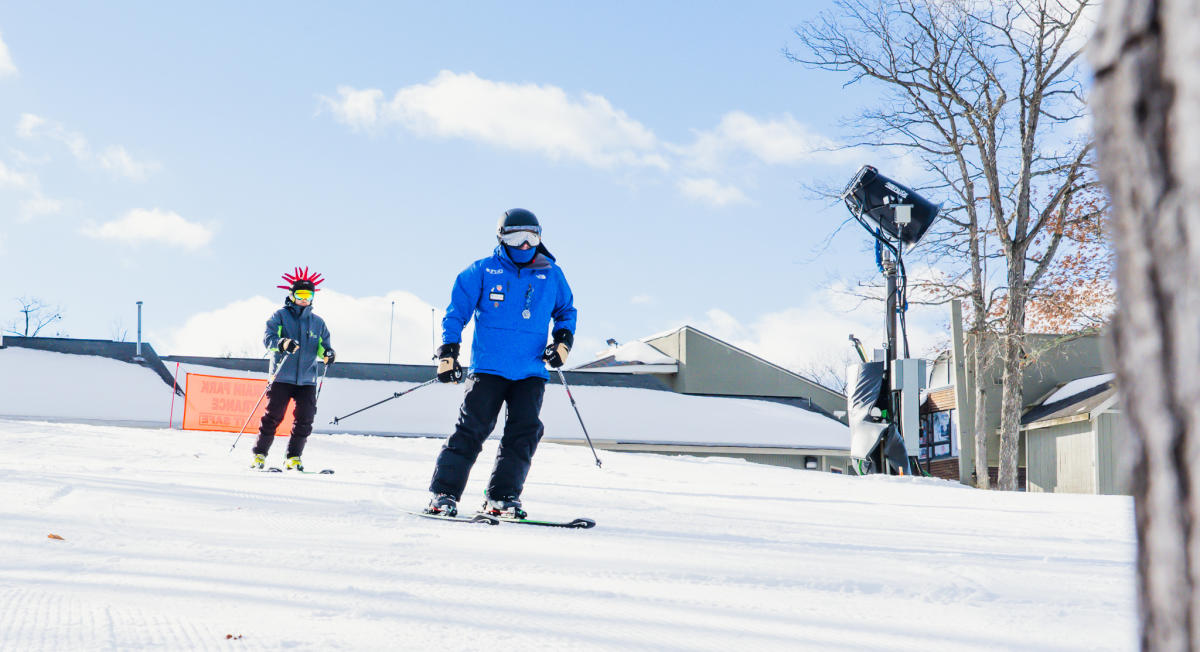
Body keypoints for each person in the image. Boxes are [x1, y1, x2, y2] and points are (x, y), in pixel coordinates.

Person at [425, 208, 577, 518]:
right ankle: (443, 493)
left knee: (524, 433)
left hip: (531, 371)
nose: (524, 245)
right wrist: (447, 355)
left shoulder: (552, 274)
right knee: (470, 431)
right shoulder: (481, 271)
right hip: (488, 370)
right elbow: (455, 314)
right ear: (501, 238)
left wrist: (563, 342)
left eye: (532, 237)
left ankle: (502, 496)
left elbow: (566, 311)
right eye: (516, 237)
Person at [251, 267, 335, 471]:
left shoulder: (318, 322)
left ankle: (293, 457)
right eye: (301, 294)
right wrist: (282, 343)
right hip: (282, 376)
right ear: (292, 295)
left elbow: (324, 345)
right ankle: (259, 455)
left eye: (309, 295)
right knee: (273, 416)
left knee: (305, 418)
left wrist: (328, 354)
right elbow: (268, 339)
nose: (305, 299)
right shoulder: (280, 316)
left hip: (307, 378)